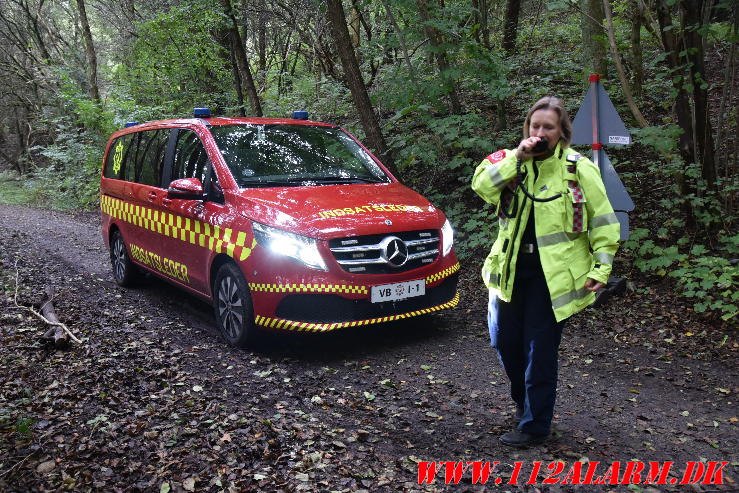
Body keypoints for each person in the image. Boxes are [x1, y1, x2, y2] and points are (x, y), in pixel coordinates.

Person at [471, 96, 620, 448]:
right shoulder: (510, 161)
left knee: (539, 352)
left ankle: (535, 425)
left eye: (548, 127)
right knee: (504, 342)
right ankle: (526, 406)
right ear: (526, 128)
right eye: (535, 126)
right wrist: (517, 158)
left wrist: (602, 267)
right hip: (508, 271)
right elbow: (480, 185)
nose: (540, 132)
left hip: (552, 278)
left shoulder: (578, 168)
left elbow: (603, 222)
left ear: (561, 132)